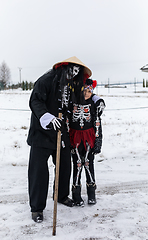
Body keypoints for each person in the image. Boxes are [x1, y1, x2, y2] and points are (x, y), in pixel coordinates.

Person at [27, 56, 93, 222]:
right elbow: (35, 101)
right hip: (42, 133)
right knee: (39, 173)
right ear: (64, 68)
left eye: (78, 72)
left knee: (64, 166)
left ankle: (61, 196)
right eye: (72, 70)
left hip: (61, 133)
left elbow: (83, 97)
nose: (74, 73)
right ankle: (37, 208)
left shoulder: (71, 85)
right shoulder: (46, 80)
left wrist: (96, 99)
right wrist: (48, 118)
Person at [69, 78, 105, 206]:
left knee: (89, 164)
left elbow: (97, 124)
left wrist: (98, 142)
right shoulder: (73, 102)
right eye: (84, 91)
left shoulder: (94, 104)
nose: (86, 93)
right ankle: (76, 195)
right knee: (77, 165)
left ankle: (91, 193)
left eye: (89, 91)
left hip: (89, 137)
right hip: (75, 138)